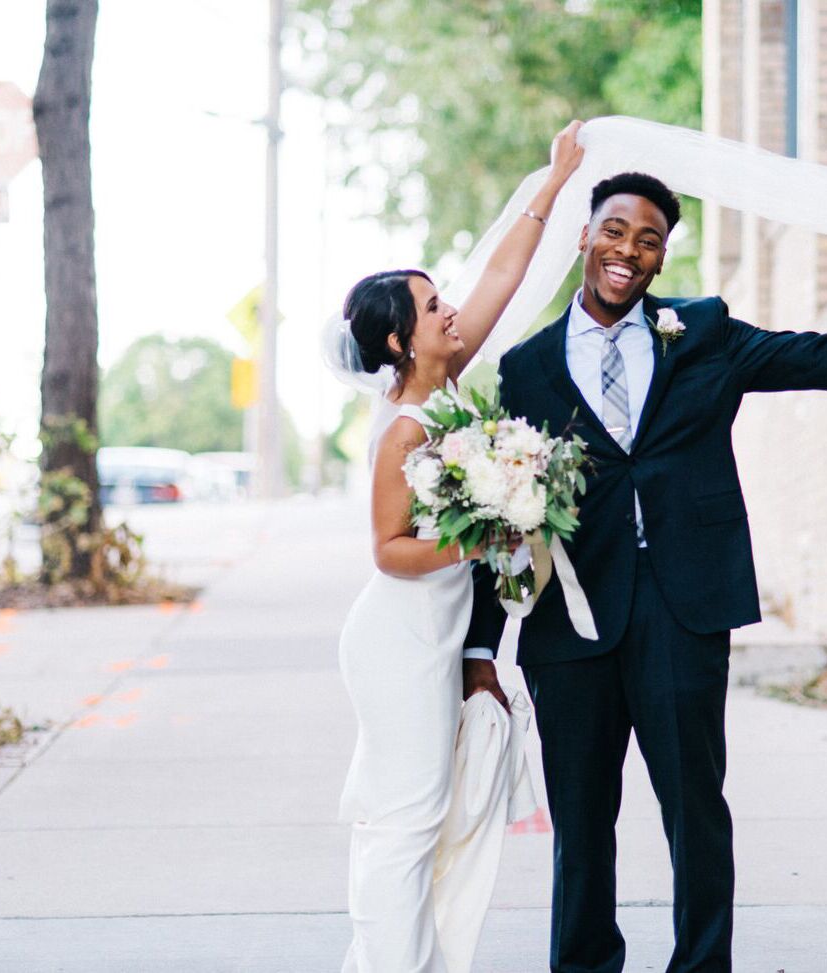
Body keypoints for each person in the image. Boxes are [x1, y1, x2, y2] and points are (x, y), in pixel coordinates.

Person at [462, 171, 827, 973]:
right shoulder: (525, 368)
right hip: (571, 624)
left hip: (683, 608)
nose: (628, 250)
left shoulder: (703, 332)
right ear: (584, 237)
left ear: (661, 258)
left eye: (648, 239)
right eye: (615, 230)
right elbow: (500, 508)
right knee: (580, 822)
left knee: (694, 807)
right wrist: (480, 646)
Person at [335, 120, 584, 973]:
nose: (449, 309)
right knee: (405, 819)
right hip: (397, 639)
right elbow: (388, 549)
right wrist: (482, 536)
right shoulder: (405, 427)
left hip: (436, 636)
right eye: (431, 305)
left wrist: (553, 183)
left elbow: (503, 278)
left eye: (443, 298)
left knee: (423, 813)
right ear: (398, 341)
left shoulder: (447, 385)